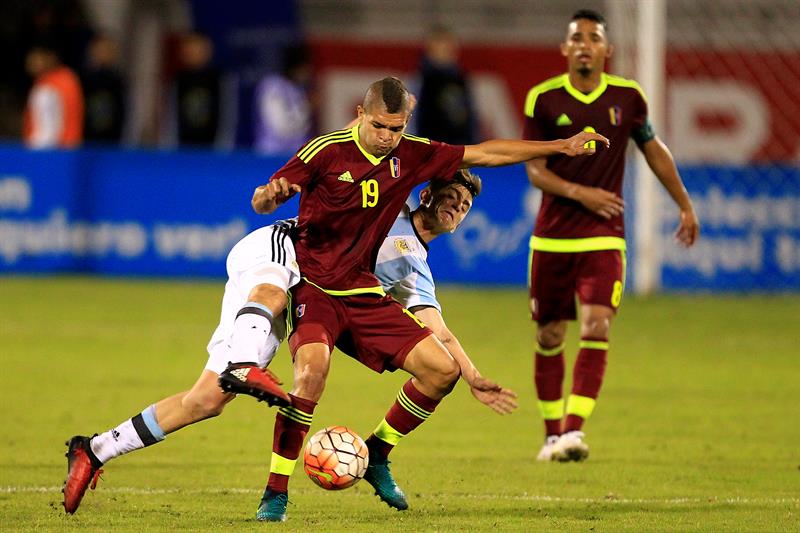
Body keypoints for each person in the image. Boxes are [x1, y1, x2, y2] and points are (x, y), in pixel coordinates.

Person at [243, 76, 608, 522]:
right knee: (312, 375)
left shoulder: (411, 155)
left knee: (441, 371)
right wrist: (269, 195)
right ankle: (275, 492)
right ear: (360, 114)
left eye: (397, 129)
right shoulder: (326, 150)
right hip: (315, 287)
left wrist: (561, 146)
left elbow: (487, 152)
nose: (388, 138)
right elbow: (265, 199)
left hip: (360, 291)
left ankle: (377, 452)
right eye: (380, 126)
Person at [59, 170, 515, 515]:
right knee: (298, 346)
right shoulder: (387, 210)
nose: (457, 207)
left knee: (206, 400)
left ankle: (95, 449)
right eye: (450, 197)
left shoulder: (415, 266)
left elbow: (439, 327)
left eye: (465, 204)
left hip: (296, 302)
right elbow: (346, 179)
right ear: (427, 195)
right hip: (286, 255)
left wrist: (472, 375)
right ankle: (275, 487)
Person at [521, 10, 700, 463]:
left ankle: (572, 431)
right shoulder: (542, 99)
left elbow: (654, 150)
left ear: (607, 50)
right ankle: (550, 435)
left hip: (604, 237)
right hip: (552, 239)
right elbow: (534, 170)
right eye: (576, 37)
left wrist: (683, 203)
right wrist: (580, 192)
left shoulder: (628, 97)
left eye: (593, 38)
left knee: (597, 325)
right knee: (549, 335)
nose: (584, 44)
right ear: (565, 49)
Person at [415, 25, 478, 145]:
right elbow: (412, 119)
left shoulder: (461, 78)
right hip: (432, 151)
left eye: (451, 45)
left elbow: (469, 118)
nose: (449, 49)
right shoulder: (421, 80)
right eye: (443, 45)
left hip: (459, 149)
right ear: (430, 48)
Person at [253, 44, 314, 155]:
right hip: (272, 155)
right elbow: (280, 126)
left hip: (294, 157)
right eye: (305, 68)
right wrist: (306, 107)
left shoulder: (298, 89)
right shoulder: (272, 87)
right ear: (296, 68)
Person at [23, 43, 84, 148]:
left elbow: (47, 130)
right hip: (69, 150)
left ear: (51, 58)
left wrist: (32, 155)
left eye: (36, 57)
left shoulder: (47, 89)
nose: (30, 61)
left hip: (51, 152)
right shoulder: (68, 78)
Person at [172, 32, 222, 147]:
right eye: (189, 49)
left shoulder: (219, 80)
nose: (192, 53)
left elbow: (227, 117)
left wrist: (221, 148)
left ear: (207, 50)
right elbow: (171, 117)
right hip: (183, 148)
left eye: (197, 48)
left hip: (213, 148)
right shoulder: (177, 80)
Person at [81, 34, 125, 143]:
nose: (104, 54)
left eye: (108, 50)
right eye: (100, 50)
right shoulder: (84, 78)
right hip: (87, 139)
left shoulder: (118, 80)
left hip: (111, 139)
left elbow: (122, 111)